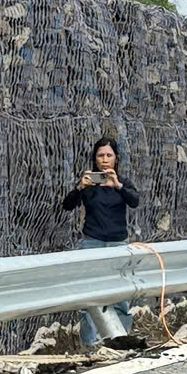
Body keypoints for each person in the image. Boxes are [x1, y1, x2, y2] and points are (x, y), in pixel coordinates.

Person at [60, 135, 143, 344]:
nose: (105, 159)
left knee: (120, 297)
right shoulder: (89, 183)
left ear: (116, 158)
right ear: (95, 159)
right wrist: (80, 187)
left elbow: (134, 201)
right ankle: (90, 344)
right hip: (93, 243)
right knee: (90, 297)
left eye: (109, 155)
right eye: (100, 155)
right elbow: (67, 205)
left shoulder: (122, 182)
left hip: (118, 244)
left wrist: (118, 185)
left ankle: (121, 341)